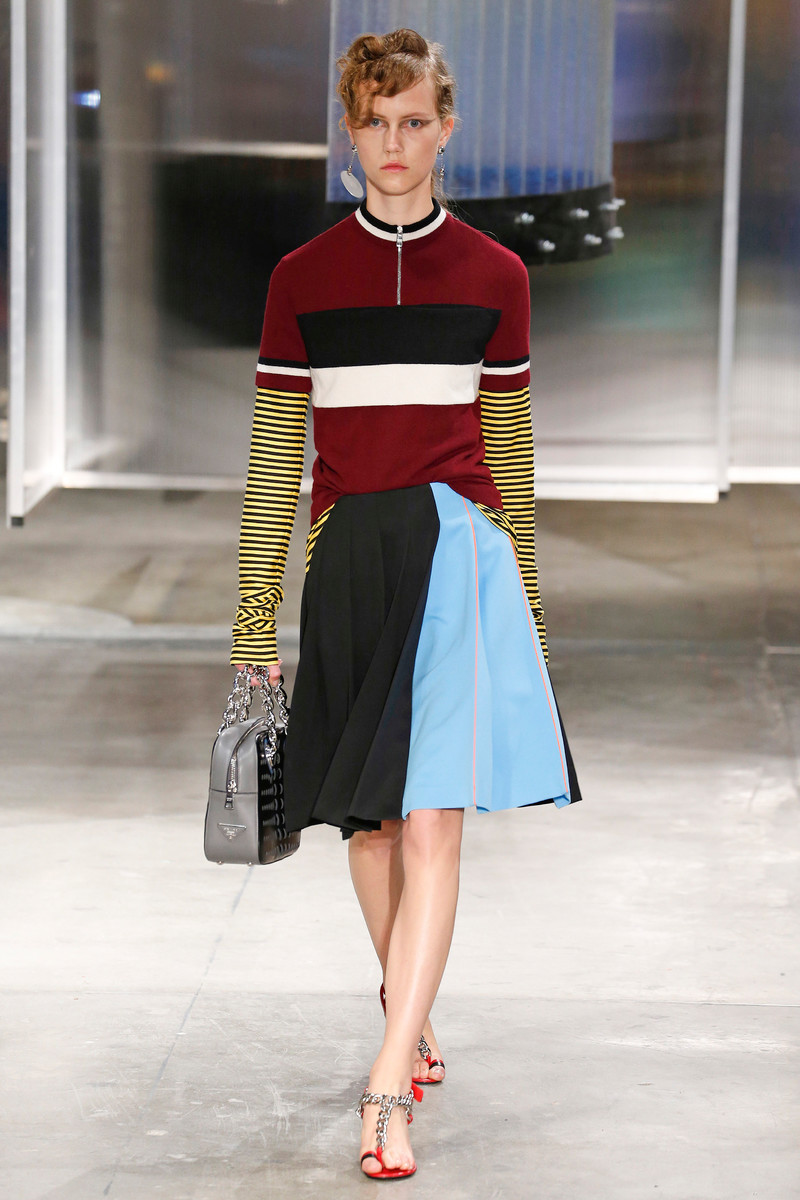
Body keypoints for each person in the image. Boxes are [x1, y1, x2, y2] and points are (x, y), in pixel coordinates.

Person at [231, 27, 581, 1181]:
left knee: (433, 820)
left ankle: (388, 1079)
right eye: (375, 122)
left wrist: (527, 609)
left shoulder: (494, 276)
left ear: (445, 129)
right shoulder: (301, 280)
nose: (394, 142)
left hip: (460, 562)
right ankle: (407, 1001)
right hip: (349, 562)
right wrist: (252, 624)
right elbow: (275, 460)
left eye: (414, 121)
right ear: (351, 130)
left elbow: (508, 449)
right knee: (372, 825)